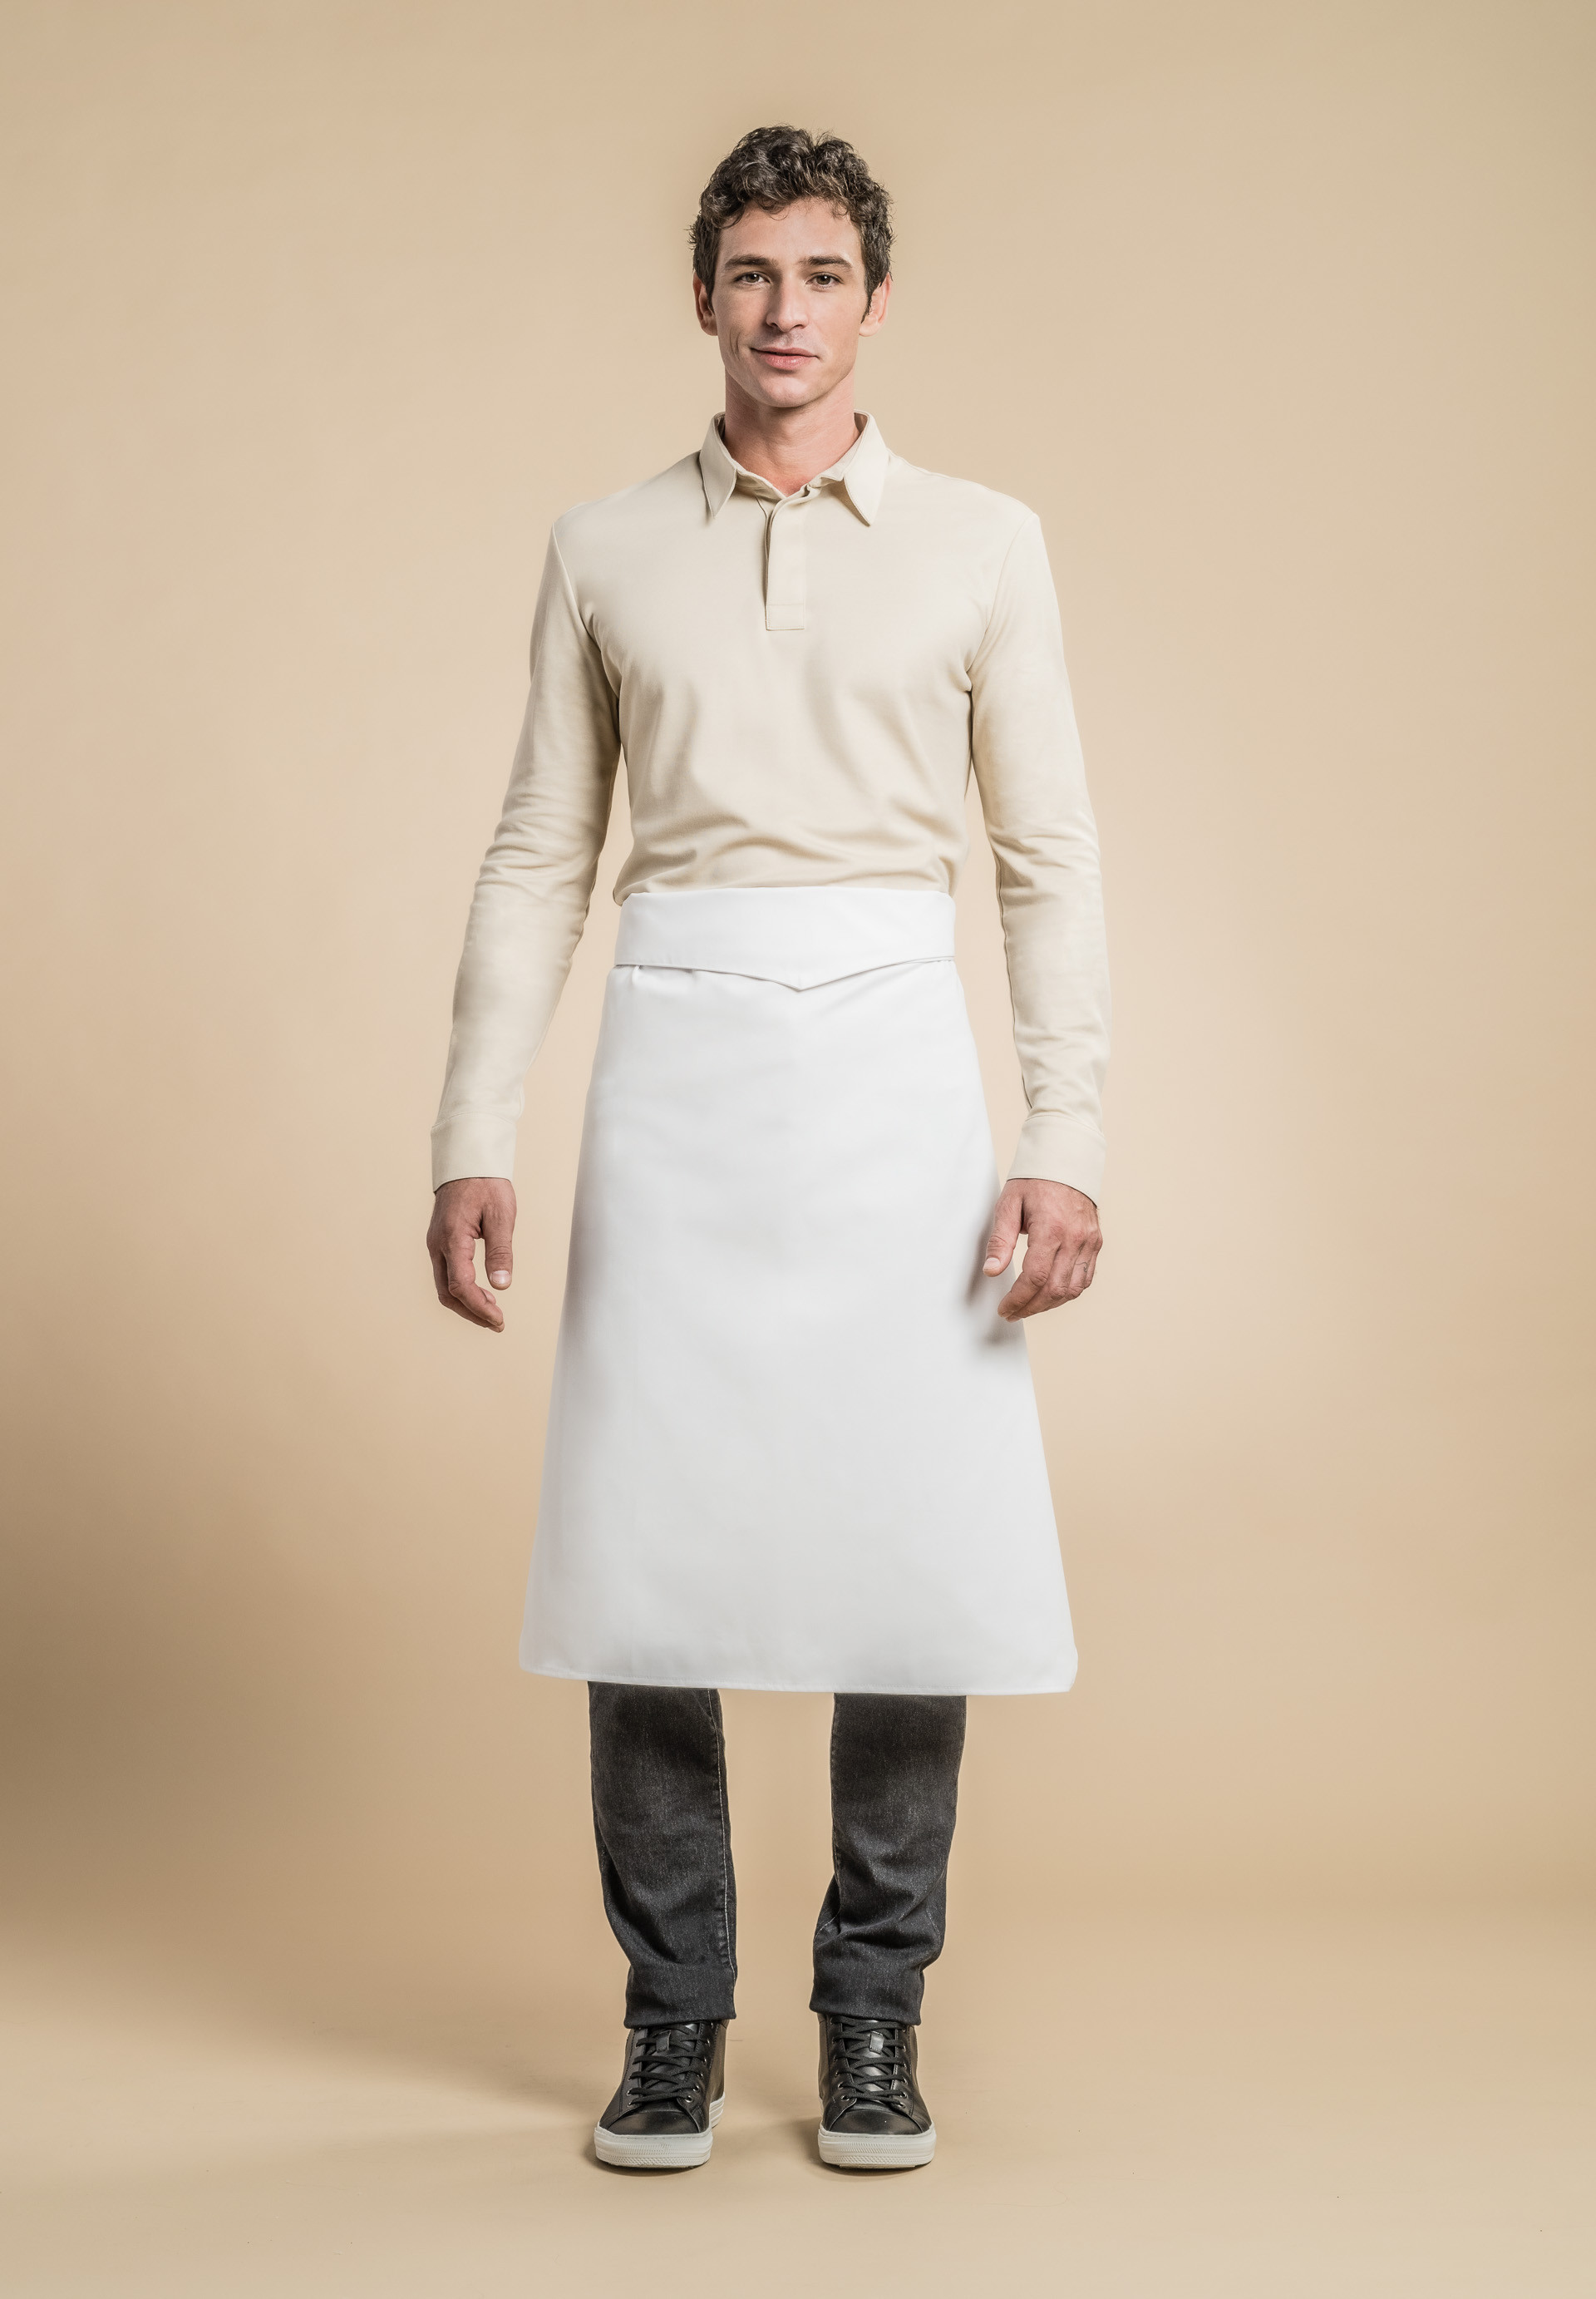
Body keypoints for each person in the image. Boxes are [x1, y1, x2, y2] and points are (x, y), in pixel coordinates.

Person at [426, 124, 1110, 2173]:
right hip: (680, 1072)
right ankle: (673, 2023)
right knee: (650, 1562)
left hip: (901, 1075)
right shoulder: (604, 546)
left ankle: (875, 2016)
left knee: (910, 1559)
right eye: (750, 272)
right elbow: (540, 850)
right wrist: (472, 1130)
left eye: (821, 273)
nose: (784, 309)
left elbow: (1048, 856)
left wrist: (1066, 1135)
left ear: (873, 301)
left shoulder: (985, 541)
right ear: (703, 297)